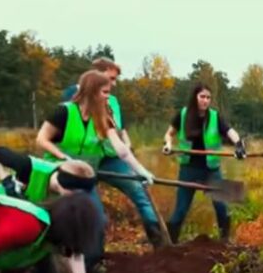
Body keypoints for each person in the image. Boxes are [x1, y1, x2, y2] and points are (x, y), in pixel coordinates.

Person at [36, 67, 167, 255]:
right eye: (105, 92)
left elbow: (121, 150)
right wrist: (63, 158)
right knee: (50, 218)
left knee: (97, 220)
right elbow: (42, 139)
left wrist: (141, 171)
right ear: (91, 91)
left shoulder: (103, 117)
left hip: (85, 176)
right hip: (57, 173)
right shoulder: (64, 112)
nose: (108, 97)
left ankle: (92, 265)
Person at [0, 147, 97, 273]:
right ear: (64, 184)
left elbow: (72, 248)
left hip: (37, 237)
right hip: (0, 229)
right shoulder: (29, 169)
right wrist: (5, 179)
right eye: (75, 193)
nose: (79, 199)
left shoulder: (71, 197)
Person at [163, 83, 246, 242]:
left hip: (211, 170)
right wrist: (168, 144)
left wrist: (238, 144)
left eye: (208, 97)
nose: (205, 101)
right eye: (202, 97)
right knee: (180, 210)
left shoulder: (215, 117)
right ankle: (169, 245)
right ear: (195, 97)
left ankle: (224, 242)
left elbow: (230, 131)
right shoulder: (183, 114)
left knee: (221, 208)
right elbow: (169, 134)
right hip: (189, 169)